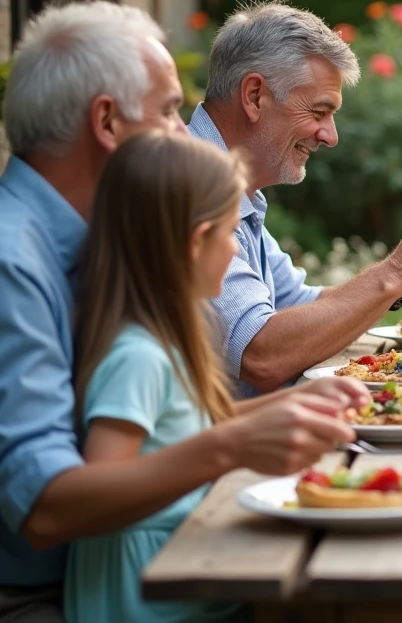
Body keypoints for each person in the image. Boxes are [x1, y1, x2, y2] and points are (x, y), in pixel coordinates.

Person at [0, 1, 359, 623]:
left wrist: (278, 410)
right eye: (168, 111)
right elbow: (47, 509)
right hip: (61, 599)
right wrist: (233, 441)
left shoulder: (96, 236)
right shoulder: (13, 263)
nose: (183, 130)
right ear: (107, 122)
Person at [63, 133, 366, 622]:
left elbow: (181, 432)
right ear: (194, 242)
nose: (235, 252)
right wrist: (235, 443)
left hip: (187, 572)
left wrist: (295, 403)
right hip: (146, 597)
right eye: (229, 233)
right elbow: (98, 491)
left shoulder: (167, 336)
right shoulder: (137, 356)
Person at [189, 1, 402, 395]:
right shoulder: (187, 188)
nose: (330, 136)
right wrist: (394, 273)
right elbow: (259, 353)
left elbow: (297, 306)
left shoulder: (234, 188)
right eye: (319, 111)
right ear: (255, 95)